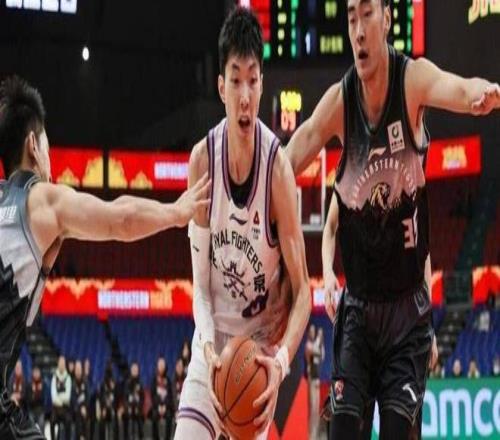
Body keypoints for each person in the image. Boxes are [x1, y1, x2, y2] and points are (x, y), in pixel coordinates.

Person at [285, 1, 499, 438]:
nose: (358, 30)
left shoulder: (410, 80)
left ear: (386, 18)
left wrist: (484, 93)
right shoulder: (340, 102)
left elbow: (457, 87)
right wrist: (249, 185)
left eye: (367, 14)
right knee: (343, 429)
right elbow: (293, 152)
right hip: (359, 311)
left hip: (406, 313)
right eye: (351, 17)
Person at [0, 75, 209, 439]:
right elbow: (119, 219)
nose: (49, 154)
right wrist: (176, 212)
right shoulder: (41, 200)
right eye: (47, 143)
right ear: (33, 145)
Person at [174, 7, 311, 440]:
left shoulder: (277, 172)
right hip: (212, 346)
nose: (245, 95)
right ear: (221, 87)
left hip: (255, 358)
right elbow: (199, 286)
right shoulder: (202, 162)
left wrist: (280, 362)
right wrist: (208, 346)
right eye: (236, 80)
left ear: (262, 83)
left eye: (253, 79)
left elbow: (305, 292)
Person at [150, 357, 174, 440]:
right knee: (154, 416)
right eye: (160, 365)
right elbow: (153, 395)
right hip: (156, 407)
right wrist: (159, 406)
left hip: (166, 407)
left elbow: (170, 396)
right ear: (157, 366)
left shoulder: (168, 380)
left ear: (165, 366)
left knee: (169, 416)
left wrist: (165, 406)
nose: (161, 367)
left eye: (163, 365)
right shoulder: (154, 380)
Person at [50, 356, 72, 440]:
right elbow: (53, 396)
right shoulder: (54, 377)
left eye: (63, 364)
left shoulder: (68, 378)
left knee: (68, 421)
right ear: (58, 364)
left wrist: (59, 397)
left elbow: (68, 397)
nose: (62, 365)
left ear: (65, 365)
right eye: (60, 363)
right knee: (52, 421)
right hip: (55, 408)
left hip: (65, 408)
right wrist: (61, 399)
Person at [123, 362, 144, 439]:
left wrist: (138, 407)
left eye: (136, 370)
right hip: (129, 408)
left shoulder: (140, 383)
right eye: (133, 369)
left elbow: (142, 398)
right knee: (128, 416)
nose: (135, 371)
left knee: (139, 416)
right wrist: (128, 407)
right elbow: (125, 398)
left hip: (138, 409)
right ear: (131, 371)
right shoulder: (127, 383)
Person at [72, 360, 90, 439]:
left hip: (85, 409)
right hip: (76, 410)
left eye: (79, 369)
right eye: (77, 369)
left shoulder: (85, 382)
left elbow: (88, 396)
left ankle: (84, 437)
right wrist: (80, 408)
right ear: (75, 370)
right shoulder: (72, 382)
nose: (78, 371)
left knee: (85, 417)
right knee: (78, 417)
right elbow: (72, 399)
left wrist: (84, 407)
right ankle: (80, 436)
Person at [25, 366, 45, 433]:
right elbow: (28, 400)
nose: (36, 374)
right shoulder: (29, 385)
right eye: (35, 372)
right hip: (31, 410)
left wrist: (39, 393)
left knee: (41, 424)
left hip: (40, 410)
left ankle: (41, 437)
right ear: (32, 373)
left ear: (40, 373)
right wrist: (34, 392)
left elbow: (43, 400)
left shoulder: (43, 384)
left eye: (37, 372)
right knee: (31, 424)